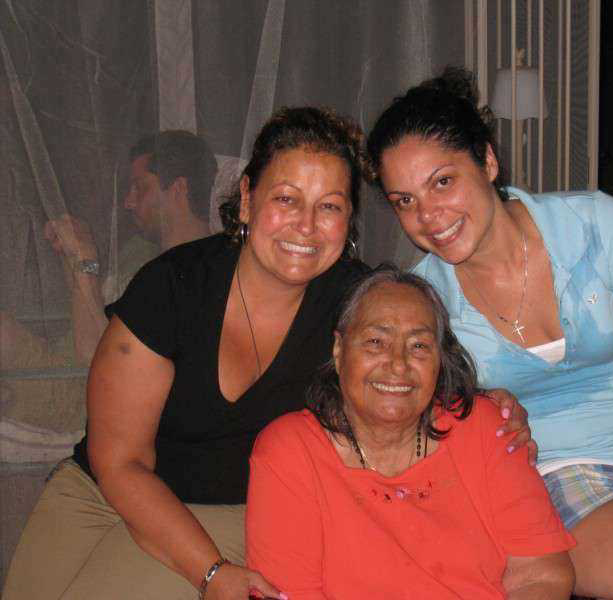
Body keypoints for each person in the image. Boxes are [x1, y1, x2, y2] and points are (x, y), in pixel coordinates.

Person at [366, 67, 613, 600]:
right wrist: (480, 403)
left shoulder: (599, 227)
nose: (428, 215)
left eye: (442, 182)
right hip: (558, 479)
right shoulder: (427, 302)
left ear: (487, 161)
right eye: (404, 200)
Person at [3, 107, 367, 600]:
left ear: (348, 219)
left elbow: (422, 373)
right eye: (286, 199)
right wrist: (212, 575)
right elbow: (119, 461)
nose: (306, 225)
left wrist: (211, 572)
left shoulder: (360, 304)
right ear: (247, 199)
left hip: (225, 512)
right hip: (100, 489)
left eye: (329, 206)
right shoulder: (172, 285)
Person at [246, 266, 576, 599]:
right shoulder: (290, 452)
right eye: (376, 342)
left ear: (440, 359)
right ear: (339, 349)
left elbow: (540, 574)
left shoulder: (485, 427)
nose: (398, 364)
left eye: (419, 346)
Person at [1, 130, 216, 437]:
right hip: (59, 369)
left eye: (140, 187)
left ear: (178, 189)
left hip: (90, 400)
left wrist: (85, 261)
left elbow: (99, 361)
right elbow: (88, 314)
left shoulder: (198, 273)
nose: (128, 202)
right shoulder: (138, 252)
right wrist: (72, 257)